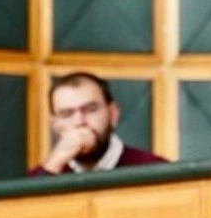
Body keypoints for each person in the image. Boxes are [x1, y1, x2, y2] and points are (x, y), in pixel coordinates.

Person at [29, 72, 167, 176]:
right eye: (67, 114)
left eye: (90, 110)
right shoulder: (38, 176)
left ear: (113, 114)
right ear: (54, 124)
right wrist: (54, 164)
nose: (79, 122)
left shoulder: (156, 171)